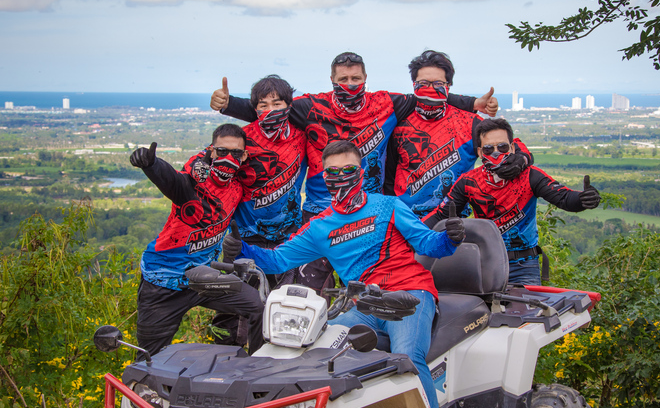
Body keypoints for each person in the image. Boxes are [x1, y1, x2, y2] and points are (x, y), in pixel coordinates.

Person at [225, 140, 466, 408]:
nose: (340, 177)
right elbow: (278, 259)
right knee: (317, 353)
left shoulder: (388, 206)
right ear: (323, 178)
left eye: (348, 170)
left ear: (362, 172)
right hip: (363, 305)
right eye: (331, 172)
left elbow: (428, 244)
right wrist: (240, 249)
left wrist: (450, 238)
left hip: (410, 295)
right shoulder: (320, 227)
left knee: (408, 357)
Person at [210, 51, 498, 292]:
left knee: (369, 285)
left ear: (365, 79)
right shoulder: (312, 107)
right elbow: (272, 110)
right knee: (308, 289)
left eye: (355, 78)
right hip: (320, 212)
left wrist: (473, 103)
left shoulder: (385, 104)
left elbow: (427, 95)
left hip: (370, 211)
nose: (349, 84)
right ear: (332, 80)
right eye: (343, 79)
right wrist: (229, 105)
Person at [130, 124, 265, 359]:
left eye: (236, 154)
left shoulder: (235, 189)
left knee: (256, 306)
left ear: (244, 156)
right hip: (164, 282)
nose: (228, 159)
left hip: (204, 279)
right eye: (222, 152)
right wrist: (151, 165)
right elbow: (172, 181)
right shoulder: (194, 184)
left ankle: (258, 367)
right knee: (149, 357)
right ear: (212, 152)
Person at [423, 118, 601, 285]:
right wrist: (408, 233)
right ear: (479, 152)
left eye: (502, 147)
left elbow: (563, 198)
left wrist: (583, 199)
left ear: (512, 148)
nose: (495, 153)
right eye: (488, 149)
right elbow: (441, 214)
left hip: (524, 264)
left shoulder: (530, 176)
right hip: (485, 262)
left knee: (529, 316)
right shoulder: (468, 182)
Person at [214, 75, 307, 345]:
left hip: (287, 237)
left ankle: (275, 361)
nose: (270, 111)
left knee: (285, 304)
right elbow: (213, 166)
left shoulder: (302, 137)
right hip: (244, 236)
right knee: (234, 306)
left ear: (290, 105)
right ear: (254, 110)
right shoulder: (244, 140)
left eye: (276, 104)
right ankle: (225, 361)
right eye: (263, 106)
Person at [386, 50, 532, 218]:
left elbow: (507, 141)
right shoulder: (400, 121)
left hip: (454, 218)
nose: (430, 89)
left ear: (448, 86)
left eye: (438, 84)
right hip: (406, 219)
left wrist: (521, 158)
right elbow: (389, 174)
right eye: (423, 83)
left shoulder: (470, 123)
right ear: (413, 84)